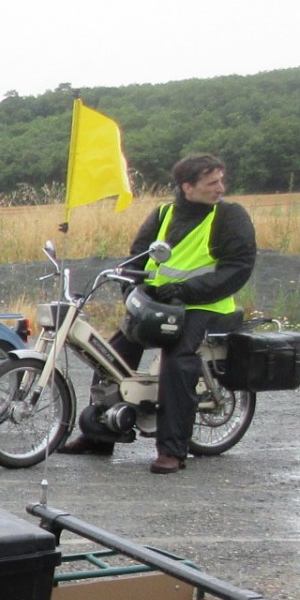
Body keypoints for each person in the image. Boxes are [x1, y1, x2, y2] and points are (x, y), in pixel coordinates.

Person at [59, 152, 257, 472]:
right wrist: (133, 293)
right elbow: (137, 258)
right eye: (212, 182)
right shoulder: (163, 214)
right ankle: (100, 435)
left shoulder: (229, 217)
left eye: (221, 180)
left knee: (178, 363)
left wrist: (185, 290)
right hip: (158, 305)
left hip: (205, 306)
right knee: (110, 355)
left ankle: (173, 450)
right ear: (187, 187)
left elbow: (238, 268)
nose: (221, 187)